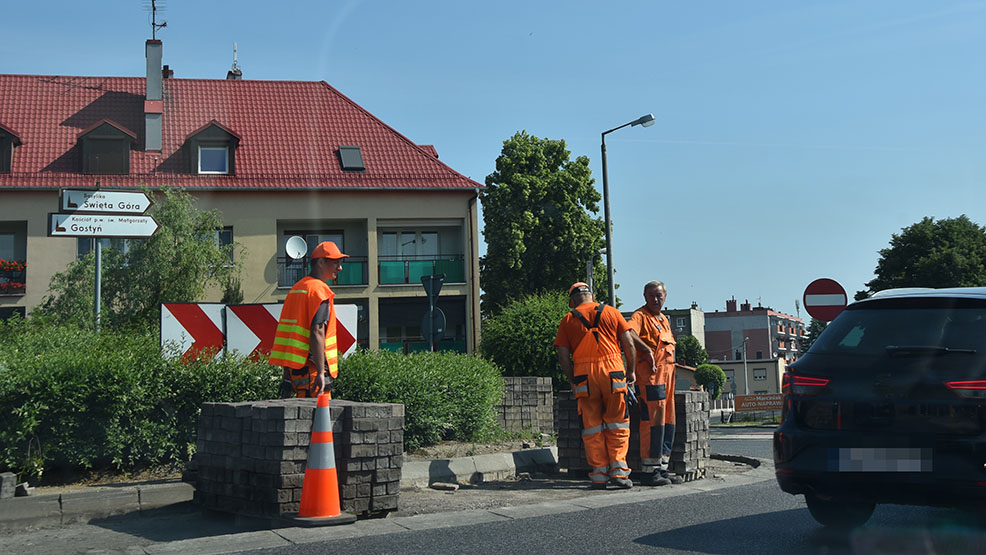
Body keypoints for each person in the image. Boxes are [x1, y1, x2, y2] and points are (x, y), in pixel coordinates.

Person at [554, 282, 641, 489]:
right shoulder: (612, 312)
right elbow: (628, 342)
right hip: (613, 373)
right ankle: (619, 473)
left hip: (584, 376)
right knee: (618, 424)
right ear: (592, 296)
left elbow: (563, 355)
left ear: (572, 301)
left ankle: (599, 475)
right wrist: (631, 370)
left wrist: (572, 379)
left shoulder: (568, 319)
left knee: (591, 427)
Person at [270, 241, 348, 398]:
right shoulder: (319, 291)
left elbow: (290, 336)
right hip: (313, 370)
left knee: (300, 419)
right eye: (335, 263)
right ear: (320, 262)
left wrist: (286, 375)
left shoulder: (296, 289)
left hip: (296, 371)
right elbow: (317, 331)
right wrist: (320, 372)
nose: (339, 268)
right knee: (321, 419)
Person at [627, 280, 684, 486]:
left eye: (659, 295)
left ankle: (662, 468)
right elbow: (629, 333)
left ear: (665, 297)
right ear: (645, 297)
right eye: (651, 296)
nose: (656, 299)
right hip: (651, 378)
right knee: (652, 424)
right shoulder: (640, 316)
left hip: (667, 378)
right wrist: (646, 350)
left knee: (668, 422)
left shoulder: (663, 320)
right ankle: (649, 472)